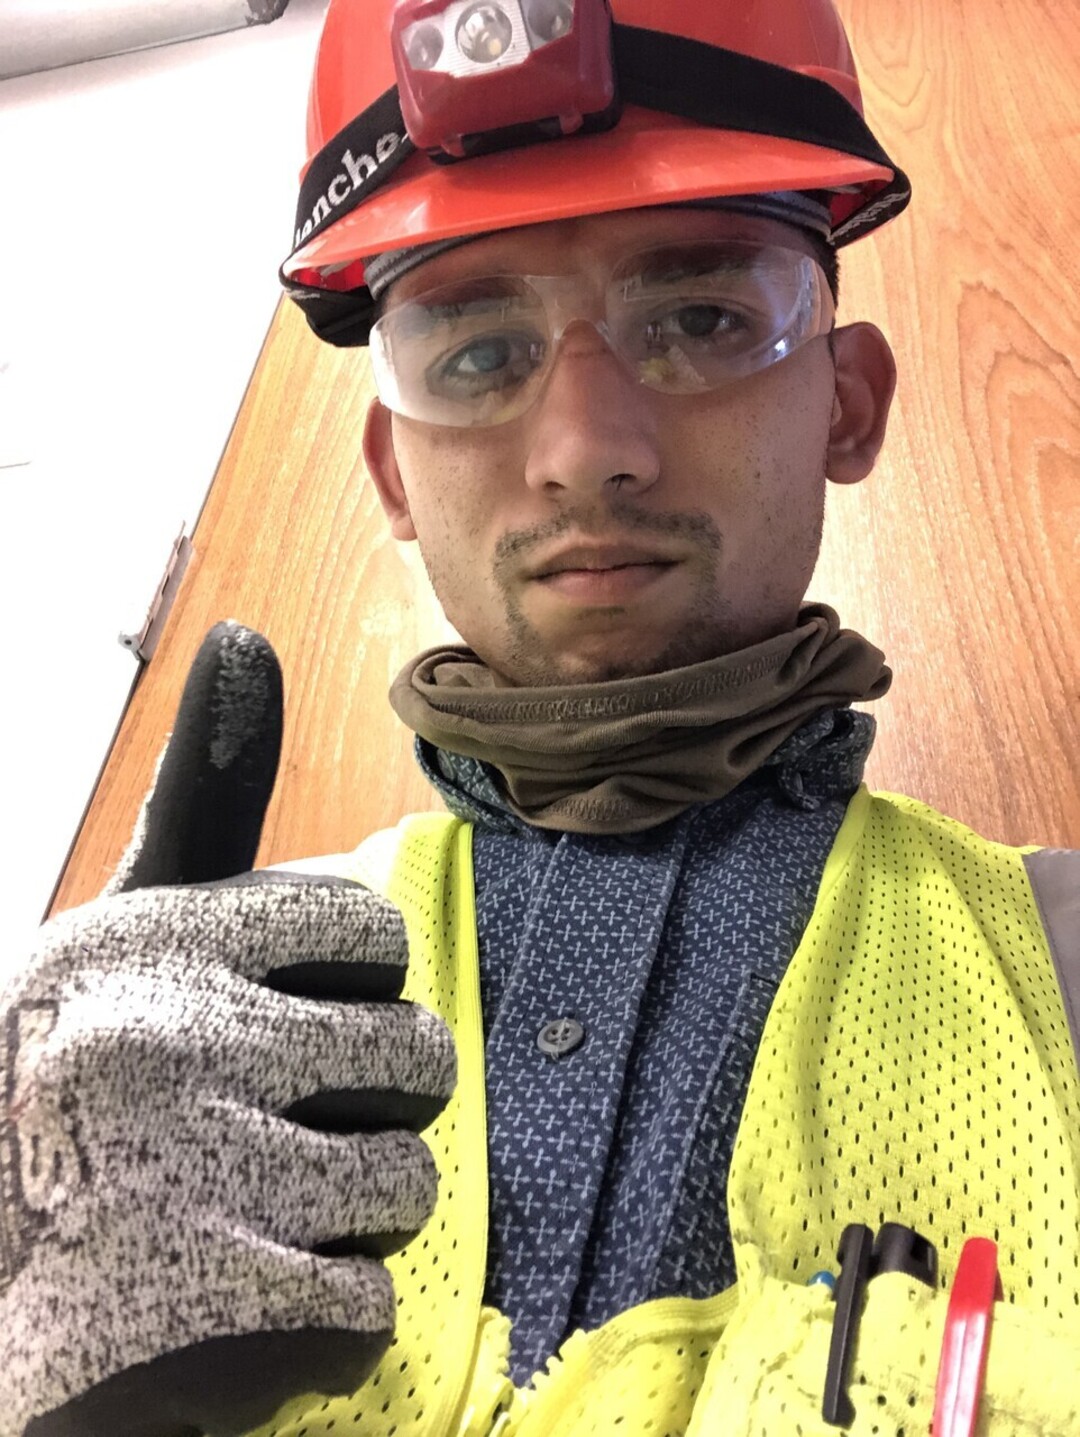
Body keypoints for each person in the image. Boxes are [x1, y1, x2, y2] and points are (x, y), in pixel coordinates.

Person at [2, 1, 1078, 1434]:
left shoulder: (1062, 970)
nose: (586, 451)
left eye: (701, 319)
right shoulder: (201, 1020)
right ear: (395, 473)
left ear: (848, 403)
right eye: (476, 354)